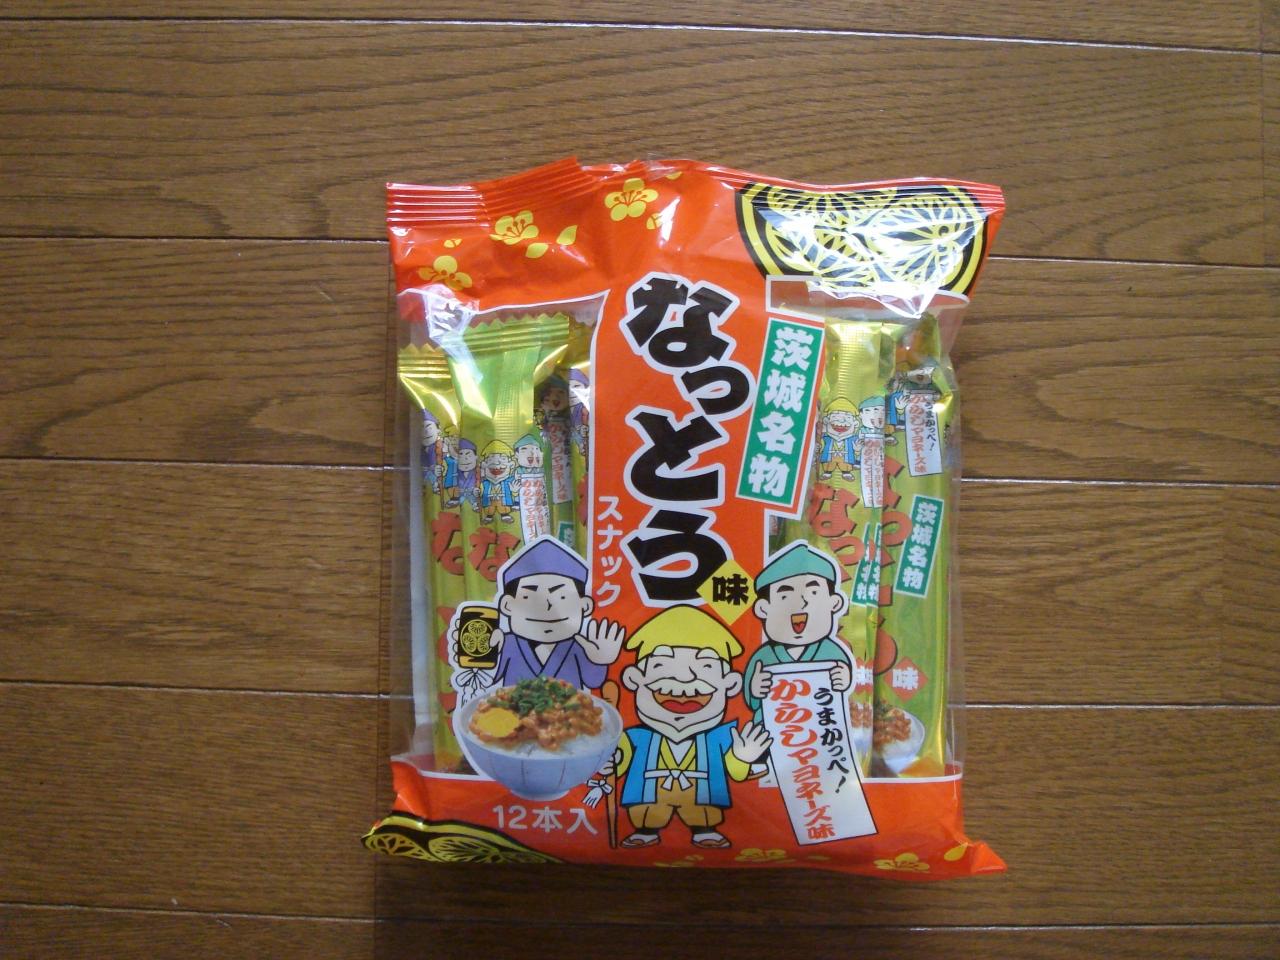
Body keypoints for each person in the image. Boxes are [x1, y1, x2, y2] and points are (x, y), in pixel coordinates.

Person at [602, 606, 772, 850]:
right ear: (634, 679)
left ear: (730, 684)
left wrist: (743, 757)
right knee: (646, 809)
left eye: (706, 666)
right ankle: (646, 830)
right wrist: (611, 760)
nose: (684, 679)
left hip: (702, 798)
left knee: (703, 809)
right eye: (661, 665)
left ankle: (704, 830)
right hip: (648, 797)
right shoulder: (637, 736)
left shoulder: (721, 736)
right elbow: (622, 754)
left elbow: (734, 769)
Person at [479, 538, 625, 690]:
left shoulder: (579, 646)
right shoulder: (507, 643)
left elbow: (593, 682)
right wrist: (488, 653)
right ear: (507, 605)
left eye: (561, 597)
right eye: (529, 597)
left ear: (585, 606)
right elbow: (486, 681)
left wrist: (600, 660)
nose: (546, 606)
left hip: (573, 706)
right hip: (510, 706)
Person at [744, 543, 853, 720]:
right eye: (784, 596)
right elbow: (751, 700)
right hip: (772, 730)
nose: (801, 602)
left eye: (813, 592)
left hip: (820, 728)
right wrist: (755, 689)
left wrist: (844, 679)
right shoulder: (763, 656)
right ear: (763, 609)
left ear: (834, 603)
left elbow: (843, 690)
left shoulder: (831, 652)